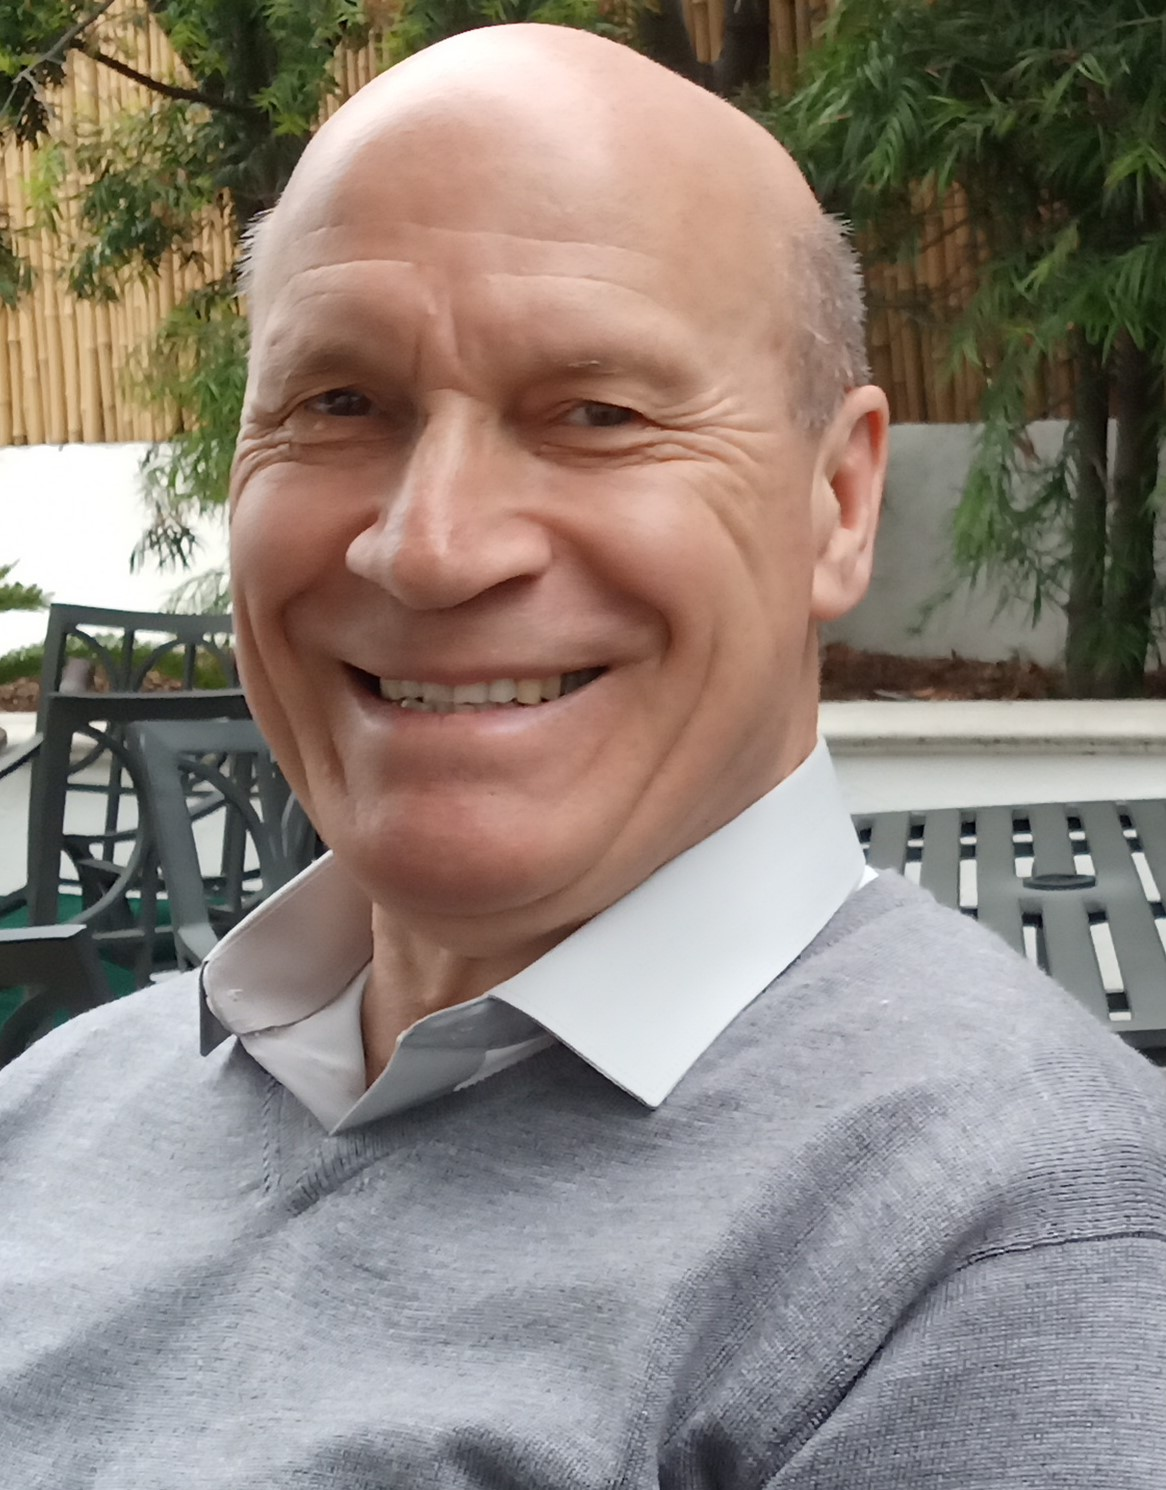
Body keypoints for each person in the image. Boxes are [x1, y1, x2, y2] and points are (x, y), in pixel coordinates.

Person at [2, 23, 1165, 1488]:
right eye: (337, 404)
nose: (428, 548)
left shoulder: (1011, 1249)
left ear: (837, 502)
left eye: (598, 415)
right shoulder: (53, 1108)